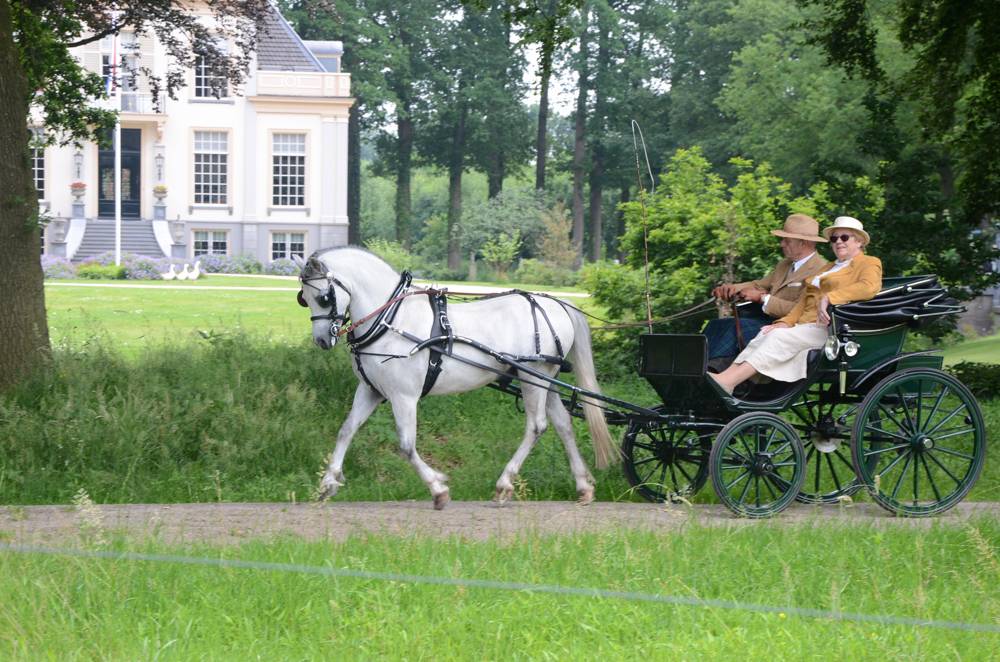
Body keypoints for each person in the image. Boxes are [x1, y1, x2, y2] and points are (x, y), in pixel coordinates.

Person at [708, 216, 882, 395]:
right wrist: (786, 322)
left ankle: (729, 382)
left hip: (832, 328)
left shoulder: (869, 263)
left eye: (844, 237)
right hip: (807, 325)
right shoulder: (828, 267)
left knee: (778, 337)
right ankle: (729, 379)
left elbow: (868, 287)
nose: (838, 242)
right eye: (834, 238)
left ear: (859, 241)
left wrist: (830, 297)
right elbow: (803, 301)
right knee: (768, 332)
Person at [704, 214, 829, 365]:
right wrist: (731, 288)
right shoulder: (784, 265)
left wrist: (762, 298)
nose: (782, 244)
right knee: (716, 325)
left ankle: (710, 370)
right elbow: (759, 285)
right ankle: (694, 367)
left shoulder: (821, 270)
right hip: (767, 321)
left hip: (792, 328)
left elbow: (802, 310)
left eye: (787, 240)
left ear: (804, 243)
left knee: (733, 329)